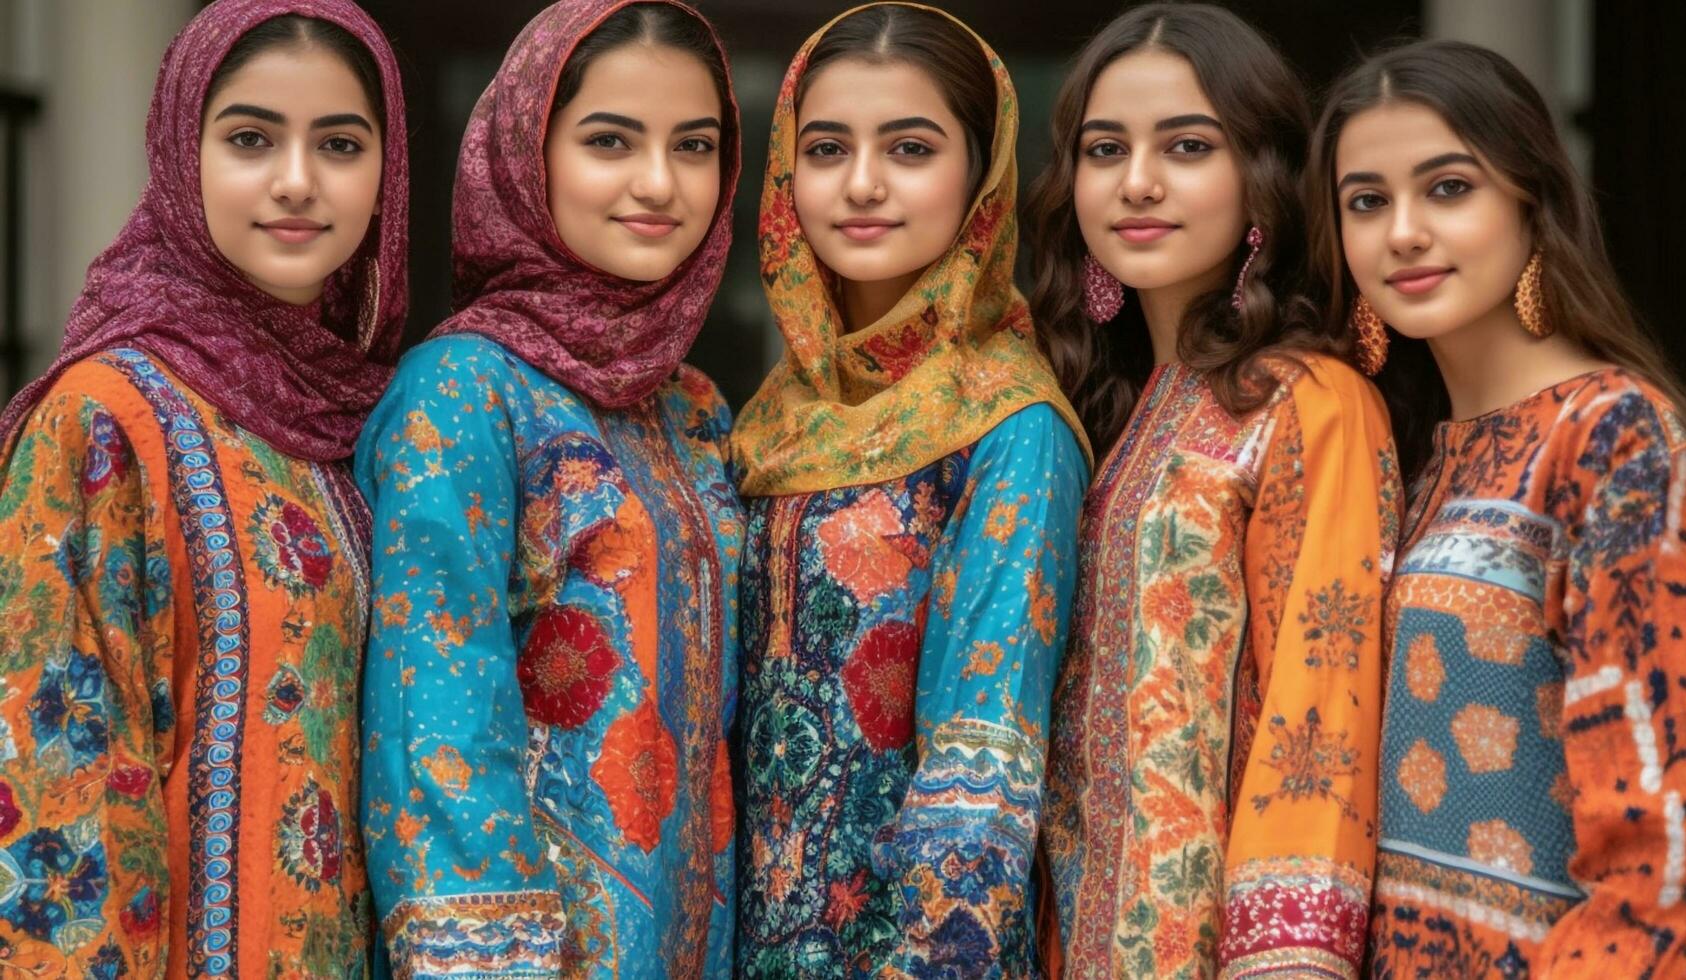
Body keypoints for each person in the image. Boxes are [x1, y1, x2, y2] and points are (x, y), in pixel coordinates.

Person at [0, 1, 408, 974]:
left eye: (340, 143)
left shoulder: (367, 423)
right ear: (183, 151)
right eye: (251, 137)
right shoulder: (107, 417)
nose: (297, 181)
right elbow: (53, 791)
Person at [1308, 38, 1686, 976]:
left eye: (1448, 188)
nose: (1401, 232)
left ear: (1531, 206)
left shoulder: (1613, 438)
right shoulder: (1402, 458)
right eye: (1366, 202)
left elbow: (1668, 858)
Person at [357, 2, 743, 975]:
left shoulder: (693, 407)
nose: (658, 182)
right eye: (610, 140)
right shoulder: (460, 392)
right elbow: (433, 735)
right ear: (529, 155)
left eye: (691, 146)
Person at [1029, 6, 1399, 977]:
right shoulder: (1088, 418)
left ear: (1258, 182)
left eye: (1186, 146)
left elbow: (1317, 707)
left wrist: (1283, 955)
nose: (1136, 181)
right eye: (1103, 149)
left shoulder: (1308, 404)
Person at [730, 5, 1091, 976]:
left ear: (981, 177)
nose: (861, 183)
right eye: (825, 147)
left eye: (910, 147)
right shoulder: (767, 419)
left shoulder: (1010, 427)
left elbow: (980, 771)